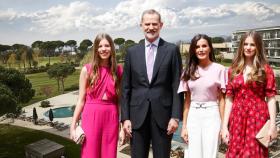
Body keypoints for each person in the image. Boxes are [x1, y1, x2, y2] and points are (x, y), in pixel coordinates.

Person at [121, 9, 183, 158]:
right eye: (147, 24)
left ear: (161, 25)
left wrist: (175, 117)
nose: (151, 27)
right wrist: (125, 118)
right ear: (141, 25)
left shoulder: (171, 50)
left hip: (163, 117)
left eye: (154, 24)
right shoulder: (131, 52)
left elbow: (177, 86)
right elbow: (126, 88)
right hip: (137, 117)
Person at [222, 31, 278, 157]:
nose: (248, 47)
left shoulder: (265, 70)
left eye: (252, 45)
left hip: (257, 118)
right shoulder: (233, 69)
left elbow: (271, 98)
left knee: (253, 153)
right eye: (245, 44)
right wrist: (224, 126)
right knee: (235, 152)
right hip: (237, 118)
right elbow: (229, 98)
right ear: (241, 46)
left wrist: (273, 125)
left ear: (258, 47)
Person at [70, 33, 124, 158]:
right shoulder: (87, 70)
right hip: (91, 116)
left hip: (111, 117)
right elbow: (81, 100)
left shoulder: (119, 71)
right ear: (95, 49)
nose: (103, 49)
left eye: (107, 45)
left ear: (112, 48)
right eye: (100, 46)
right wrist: (73, 125)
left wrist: (122, 127)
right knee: (90, 154)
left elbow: (120, 101)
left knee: (109, 154)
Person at [178, 34, 226, 158]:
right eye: (197, 47)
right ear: (194, 50)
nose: (201, 49)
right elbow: (187, 101)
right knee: (192, 153)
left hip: (212, 115)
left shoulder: (220, 69)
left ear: (210, 48)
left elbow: (222, 100)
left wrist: (223, 126)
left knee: (210, 153)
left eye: (204, 46)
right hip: (193, 115)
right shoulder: (188, 71)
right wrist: (183, 127)